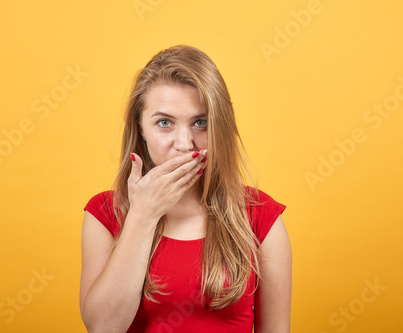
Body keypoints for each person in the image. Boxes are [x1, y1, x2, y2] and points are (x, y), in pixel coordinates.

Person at [79, 45, 291, 333]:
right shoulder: (103, 214)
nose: (184, 143)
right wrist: (142, 215)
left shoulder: (260, 216)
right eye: (164, 123)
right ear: (140, 127)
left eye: (200, 123)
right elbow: (103, 328)